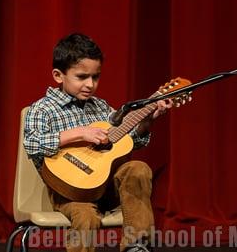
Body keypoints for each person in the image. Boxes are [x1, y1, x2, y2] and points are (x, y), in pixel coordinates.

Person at [24, 33, 172, 252]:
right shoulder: (42, 109)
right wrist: (79, 133)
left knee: (138, 168)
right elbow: (32, 143)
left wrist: (145, 122)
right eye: (82, 77)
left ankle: (136, 246)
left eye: (95, 77)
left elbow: (129, 142)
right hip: (70, 194)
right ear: (58, 75)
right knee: (85, 216)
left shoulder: (101, 107)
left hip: (106, 187)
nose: (90, 84)